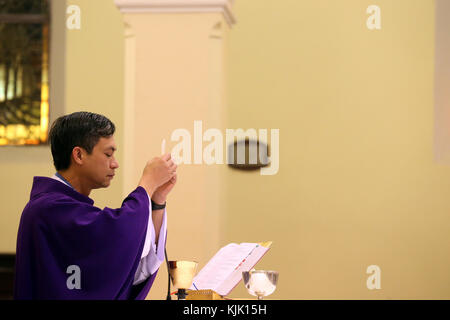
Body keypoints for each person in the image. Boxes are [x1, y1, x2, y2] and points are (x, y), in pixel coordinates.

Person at [14, 111, 177, 299]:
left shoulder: (62, 207)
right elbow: (117, 234)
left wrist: (157, 200)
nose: (115, 164)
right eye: (108, 154)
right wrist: (147, 185)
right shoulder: (47, 209)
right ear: (79, 155)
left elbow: (130, 264)